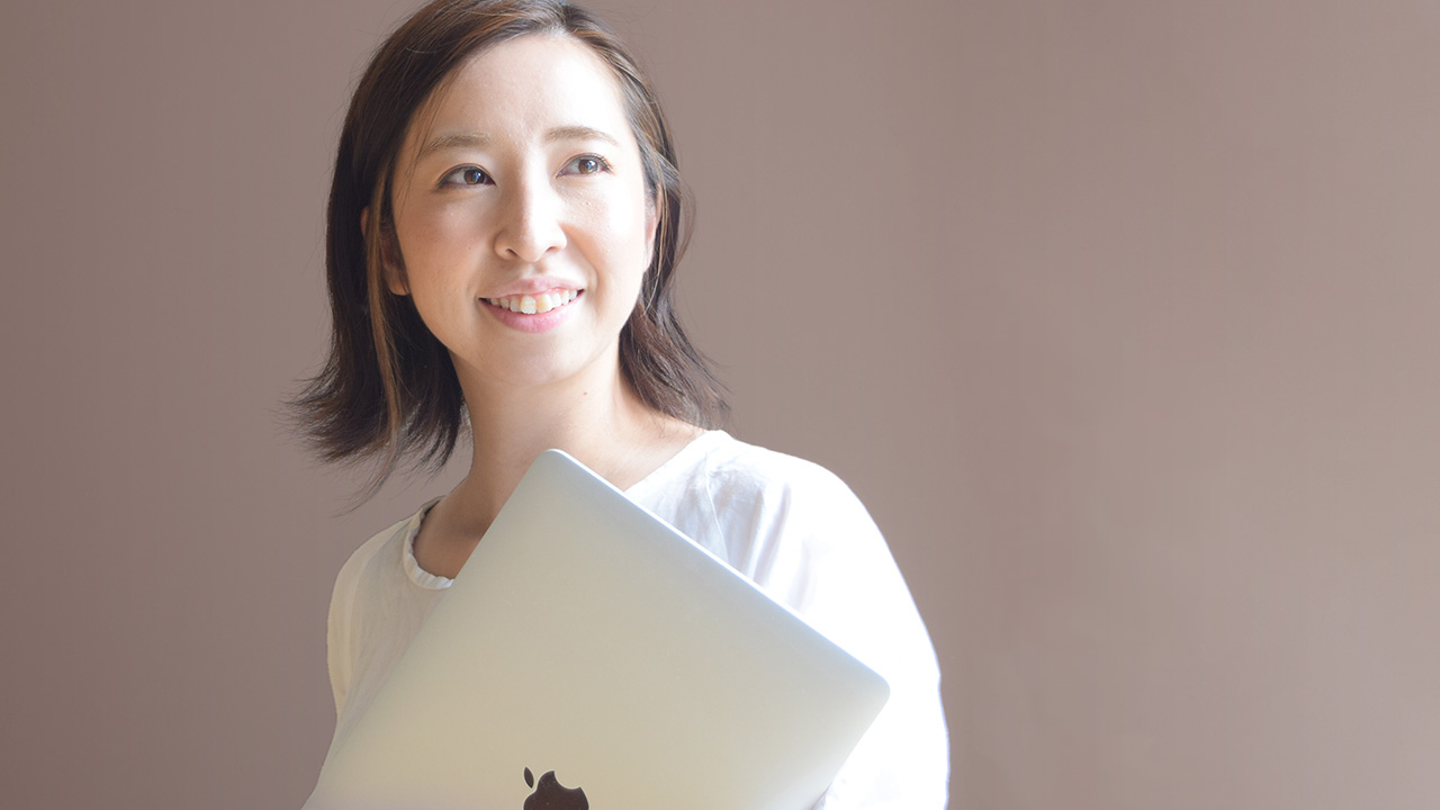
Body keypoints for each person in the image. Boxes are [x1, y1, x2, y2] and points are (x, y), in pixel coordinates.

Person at [289, 1, 949, 807]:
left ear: (649, 220)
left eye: (582, 164)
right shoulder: (368, 596)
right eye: (467, 175)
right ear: (388, 248)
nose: (530, 233)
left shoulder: (778, 526)